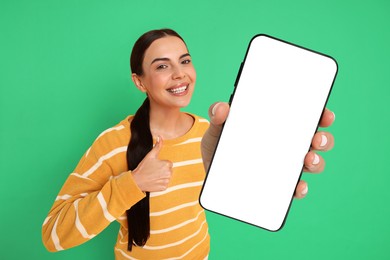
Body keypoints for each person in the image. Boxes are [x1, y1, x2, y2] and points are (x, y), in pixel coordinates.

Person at [42, 29, 335, 259]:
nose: (180, 73)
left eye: (184, 61)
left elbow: (244, 186)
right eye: (162, 66)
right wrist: (131, 183)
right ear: (139, 82)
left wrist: (283, 164)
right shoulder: (114, 143)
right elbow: (53, 235)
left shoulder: (210, 133)